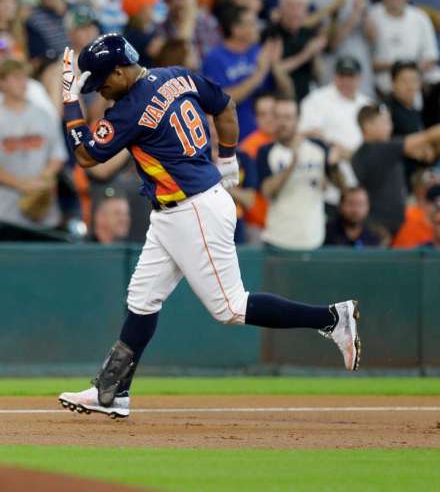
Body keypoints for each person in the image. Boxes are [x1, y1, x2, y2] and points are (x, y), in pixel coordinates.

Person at [57, 34, 361, 420]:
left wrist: (70, 99)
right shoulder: (175, 76)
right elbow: (226, 105)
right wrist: (229, 157)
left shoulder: (130, 109)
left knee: (230, 307)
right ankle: (113, 393)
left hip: (192, 210)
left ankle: (333, 319)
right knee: (142, 299)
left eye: (103, 82)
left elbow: (85, 155)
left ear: (119, 70)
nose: (101, 90)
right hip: (178, 209)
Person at [0, 58, 67, 239]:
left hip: (41, 215)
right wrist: (20, 184)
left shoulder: (43, 115)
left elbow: (57, 155)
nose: (23, 83)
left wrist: (41, 180)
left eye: (24, 77)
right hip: (0, 215)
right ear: (1, 83)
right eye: (16, 78)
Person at [257, 97, 343, 251]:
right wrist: (292, 163)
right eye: (278, 117)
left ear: (298, 119)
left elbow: (340, 185)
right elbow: (267, 191)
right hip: (278, 239)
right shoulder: (266, 151)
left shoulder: (318, 148)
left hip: (314, 238)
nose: (283, 123)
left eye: (288, 117)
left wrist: (334, 165)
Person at [202, 5, 293, 140]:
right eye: (251, 23)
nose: (257, 27)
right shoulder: (215, 58)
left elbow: (288, 92)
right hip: (236, 136)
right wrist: (259, 73)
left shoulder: (259, 51)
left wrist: (275, 65)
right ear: (236, 29)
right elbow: (222, 101)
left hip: (268, 134)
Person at [352, 104, 440, 239]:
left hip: (392, 226)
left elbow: (427, 154)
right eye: (384, 121)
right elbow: (426, 137)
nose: (390, 126)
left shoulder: (382, 149)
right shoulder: (374, 150)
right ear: (367, 126)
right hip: (377, 227)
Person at [366, 0, 439, 94]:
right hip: (380, 84)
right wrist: (397, 68)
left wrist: (409, 71)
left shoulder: (420, 17)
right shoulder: (372, 16)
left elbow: (431, 56)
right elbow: (366, 59)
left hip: (413, 84)